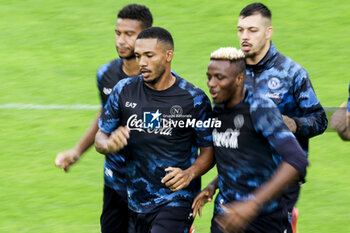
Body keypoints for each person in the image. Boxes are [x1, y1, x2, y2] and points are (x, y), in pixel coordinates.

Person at [95, 27, 215, 233]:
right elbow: (101, 135)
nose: (142, 62)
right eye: (138, 55)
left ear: (169, 55)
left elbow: (210, 152)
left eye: (149, 56)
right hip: (136, 202)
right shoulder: (123, 90)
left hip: (176, 201)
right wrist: (108, 144)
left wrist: (190, 173)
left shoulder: (193, 99)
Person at [55, 4, 153, 232]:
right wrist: (77, 151)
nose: (121, 40)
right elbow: (104, 114)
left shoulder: (159, 79)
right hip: (114, 183)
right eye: (118, 33)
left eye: (130, 34)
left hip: (149, 189)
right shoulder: (106, 74)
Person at [192, 47, 309, 233]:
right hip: (226, 215)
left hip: (263, 219)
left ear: (239, 79)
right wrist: (212, 186)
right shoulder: (218, 106)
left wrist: (252, 204)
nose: (211, 84)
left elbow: (297, 160)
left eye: (219, 77)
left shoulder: (260, 108)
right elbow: (240, 156)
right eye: (209, 76)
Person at [236, 2, 328, 230]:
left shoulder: (292, 73)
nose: (244, 36)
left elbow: (320, 119)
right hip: (238, 176)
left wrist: (294, 124)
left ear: (268, 32)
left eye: (252, 30)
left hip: (280, 180)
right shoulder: (231, 71)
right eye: (240, 30)